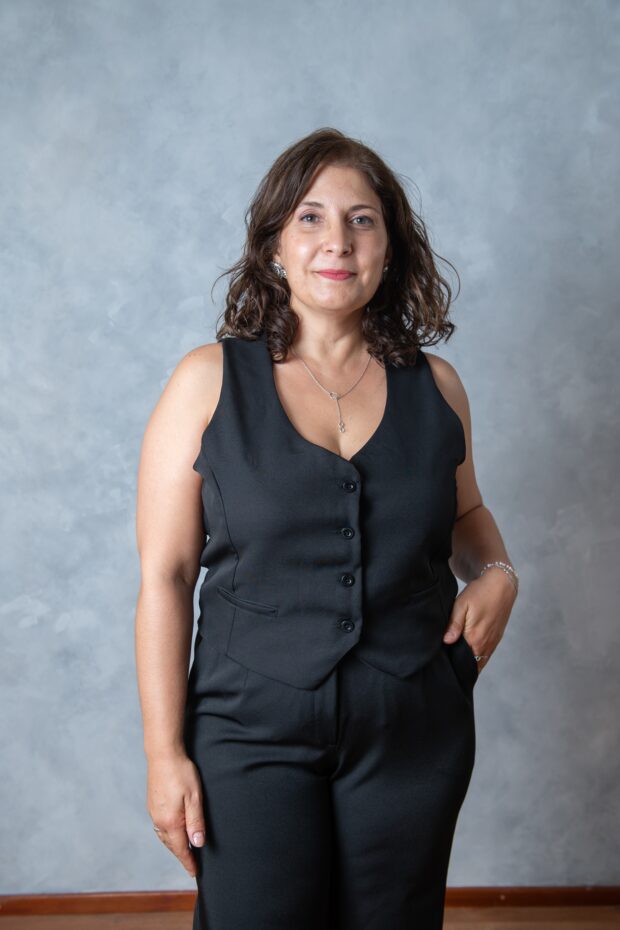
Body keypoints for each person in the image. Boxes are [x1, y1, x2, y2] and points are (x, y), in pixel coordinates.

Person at [135, 127, 519, 930]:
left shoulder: (438, 387)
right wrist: (164, 754)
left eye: (361, 220)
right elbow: (166, 577)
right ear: (275, 244)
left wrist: (498, 573)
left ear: (390, 246)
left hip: (413, 724)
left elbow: (468, 516)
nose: (336, 241)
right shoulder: (205, 383)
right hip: (248, 726)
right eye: (310, 218)